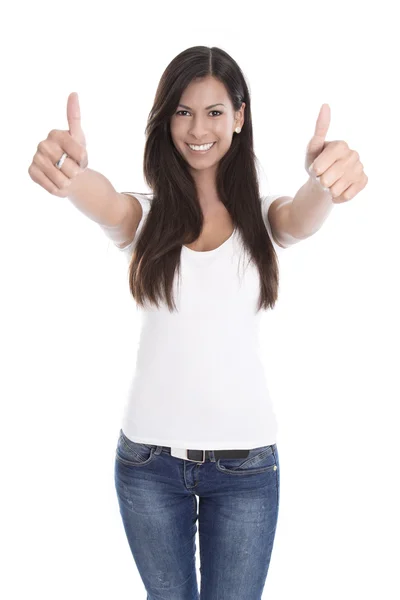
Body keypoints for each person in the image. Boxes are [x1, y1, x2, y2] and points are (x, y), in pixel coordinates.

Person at [28, 45, 297, 600]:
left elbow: (302, 217)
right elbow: (104, 200)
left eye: (215, 111)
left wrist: (326, 184)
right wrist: (72, 177)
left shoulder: (266, 217)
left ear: (240, 117)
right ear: (165, 119)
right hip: (149, 465)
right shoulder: (144, 217)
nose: (198, 127)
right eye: (182, 111)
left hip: (247, 467)